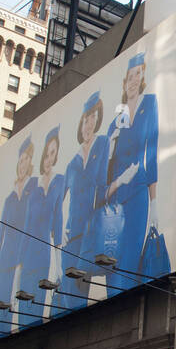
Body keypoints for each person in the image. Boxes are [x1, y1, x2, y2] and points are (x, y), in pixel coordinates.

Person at [102, 53, 160, 294]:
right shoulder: (115, 122)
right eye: (130, 76)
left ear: (143, 75)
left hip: (138, 195)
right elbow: (104, 173)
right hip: (115, 200)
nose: (134, 79)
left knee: (133, 259)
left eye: (138, 73)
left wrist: (154, 205)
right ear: (124, 82)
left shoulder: (149, 104)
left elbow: (152, 153)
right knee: (113, 260)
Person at [59, 91, 108, 312]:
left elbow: (104, 183)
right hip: (73, 236)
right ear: (81, 123)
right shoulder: (71, 164)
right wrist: (59, 228)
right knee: (70, 299)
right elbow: (57, 203)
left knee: (84, 294)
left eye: (94, 118)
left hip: (93, 233)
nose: (90, 123)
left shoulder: (103, 144)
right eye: (87, 119)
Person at [0, 137, 34, 337]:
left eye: (26, 160)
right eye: (20, 160)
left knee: (22, 315)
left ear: (31, 163)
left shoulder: (35, 191)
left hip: (24, 263)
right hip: (5, 264)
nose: (23, 165)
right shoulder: (9, 198)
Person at [18, 124, 65, 320]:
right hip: (28, 257)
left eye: (52, 153)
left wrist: (60, 268)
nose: (48, 158)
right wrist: (18, 269)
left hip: (45, 257)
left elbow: (58, 222)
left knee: (38, 310)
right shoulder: (32, 187)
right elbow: (26, 227)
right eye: (46, 153)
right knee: (23, 310)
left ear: (55, 156)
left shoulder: (59, 181)